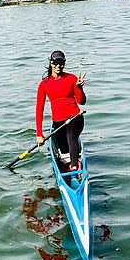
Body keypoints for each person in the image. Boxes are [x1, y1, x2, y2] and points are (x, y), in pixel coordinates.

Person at [35, 50, 86, 187]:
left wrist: (80, 88)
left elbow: (82, 102)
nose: (59, 66)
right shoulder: (44, 85)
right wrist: (39, 135)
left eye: (61, 63)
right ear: (51, 63)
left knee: (71, 135)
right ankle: (66, 162)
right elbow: (39, 110)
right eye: (56, 63)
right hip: (58, 122)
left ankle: (75, 171)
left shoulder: (71, 78)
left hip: (75, 117)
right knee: (63, 149)